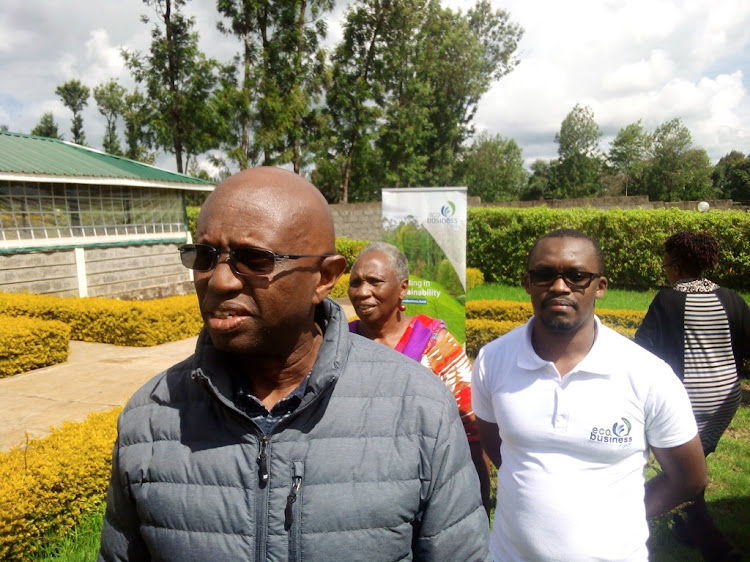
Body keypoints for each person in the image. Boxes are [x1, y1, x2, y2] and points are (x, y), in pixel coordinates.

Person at [98, 167, 489, 561]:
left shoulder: (420, 410)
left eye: (254, 259)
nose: (219, 282)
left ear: (325, 277)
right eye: (204, 255)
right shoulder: (150, 419)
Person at [471, 228, 708, 562]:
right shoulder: (492, 360)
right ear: (527, 283)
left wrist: (623, 514)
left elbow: (690, 478)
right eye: (543, 275)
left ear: (601, 287)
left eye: (577, 276)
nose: (558, 286)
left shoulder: (647, 374)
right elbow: (500, 451)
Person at [347, 242, 492, 514]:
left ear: (403, 288)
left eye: (374, 282)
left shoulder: (436, 348)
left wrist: (480, 505)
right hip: (354, 493)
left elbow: (471, 431)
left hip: (422, 495)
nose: (363, 292)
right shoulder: (340, 343)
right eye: (355, 282)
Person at [636, 230, 749, 561]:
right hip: (726, 400)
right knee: (690, 465)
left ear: (675, 264)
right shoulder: (731, 298)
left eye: (666, 261)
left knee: (683, 470)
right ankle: (695, 528)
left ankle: (708, 539)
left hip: (684, 402)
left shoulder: (668, 300)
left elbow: (643, 350)